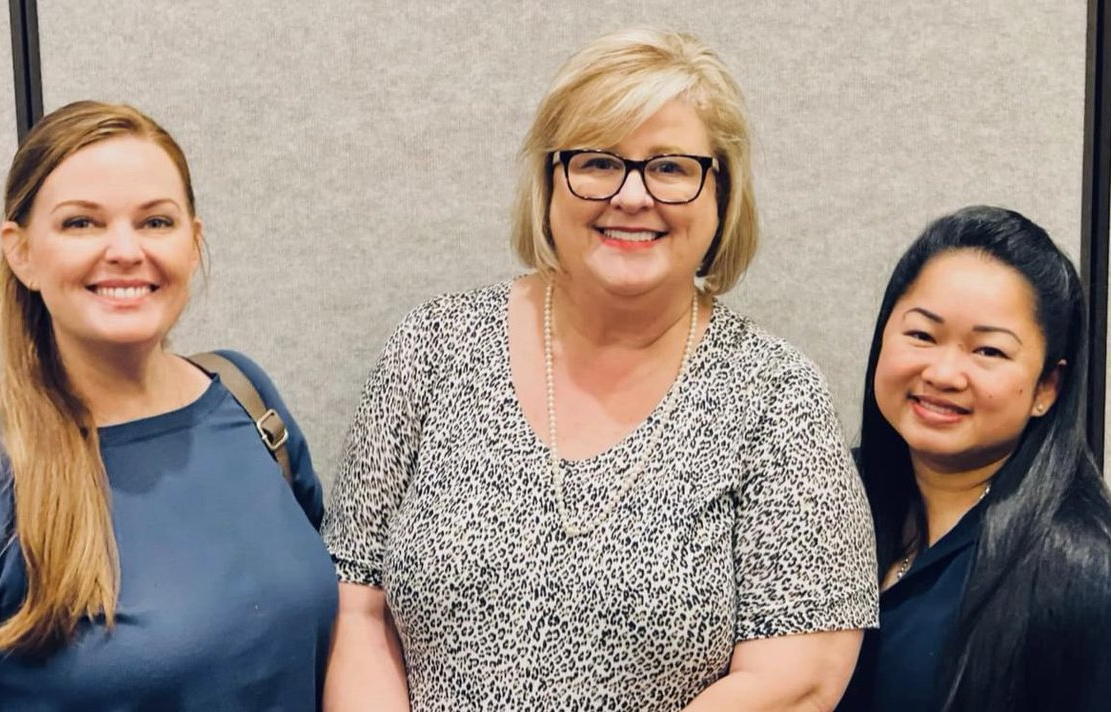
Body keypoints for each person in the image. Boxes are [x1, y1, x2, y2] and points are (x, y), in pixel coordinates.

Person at [322, 28, 878, 711]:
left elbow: (799, 677)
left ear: (722, 195)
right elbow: (356, 602)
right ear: (551, 181)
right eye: (597, 162)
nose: (632, 196)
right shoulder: (434, 346)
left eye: (671, 167)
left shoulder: (776, 395)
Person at [0, 101, 337, 710]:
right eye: (81, 223)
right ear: (21, 251)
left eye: (156, 222)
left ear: (194, 241)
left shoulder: (246, 397)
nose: (124, 250)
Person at [838, 205, 1111, 711]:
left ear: (1047, 388)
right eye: (921, 335)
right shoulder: (820, 496)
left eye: (988, 351)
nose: (943, 372)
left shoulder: (1086, 570)